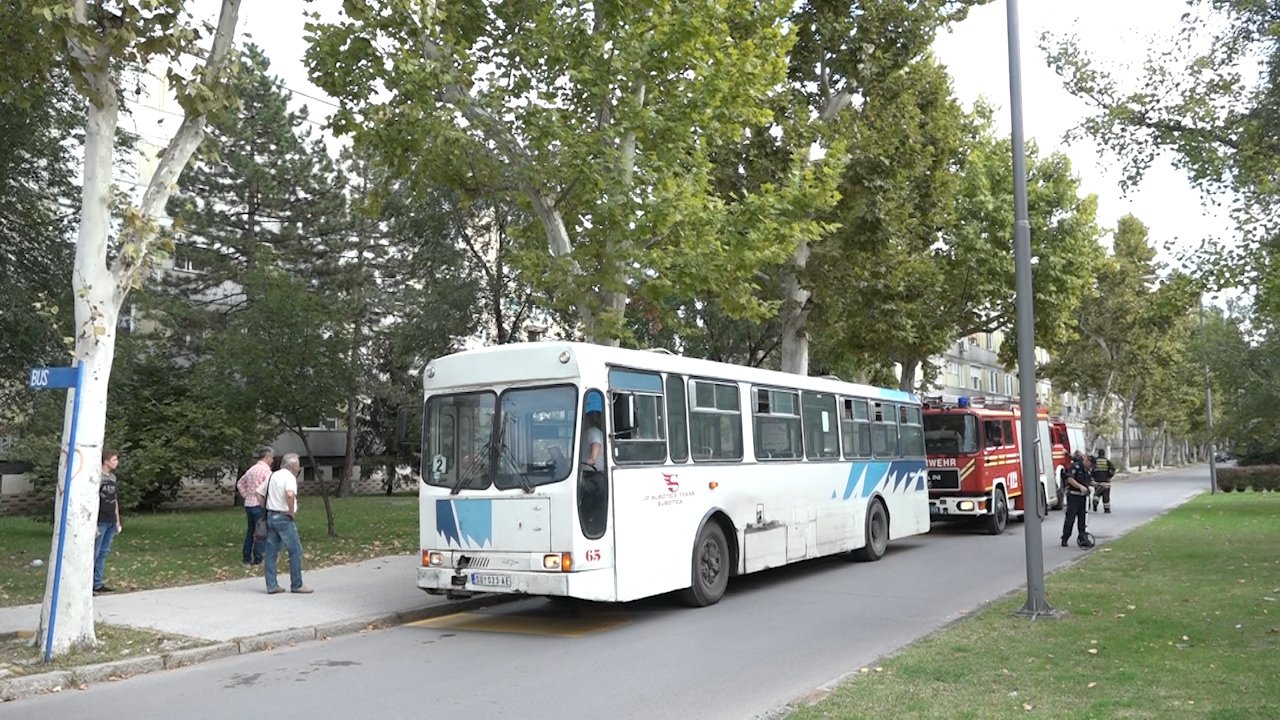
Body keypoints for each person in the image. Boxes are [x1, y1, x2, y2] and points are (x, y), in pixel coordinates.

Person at [258, 453, 312, 594]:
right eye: (298, 464)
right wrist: (291, 511)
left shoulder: (272, 476)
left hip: (271, 515)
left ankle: (271, 585)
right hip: (283, 516)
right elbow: (289, 494)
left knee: (271, 552)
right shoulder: (289, 477)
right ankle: (296, 584)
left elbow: (259, 493)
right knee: (295, 550)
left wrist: (266, 506)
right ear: (293, 466)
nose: (299, 467)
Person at [235, 446, 274, 567]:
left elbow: (240, 483)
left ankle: (246, 558)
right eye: (271, 458)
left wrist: (246, 495)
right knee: (260, 532)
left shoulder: (251, 469)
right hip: (260, 504)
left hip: (249, 504)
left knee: (250, 531)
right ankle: (258, 558)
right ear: (267, 457)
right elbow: (270, 488)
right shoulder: (267, 472)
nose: (272, 460)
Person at [93, 449, 122, 595]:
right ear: (106, 461)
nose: (116, 462)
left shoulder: (113, 478)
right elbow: (93, 499)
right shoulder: (97, 477)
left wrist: (117, 521)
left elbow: (114, 499)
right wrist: (94, 524)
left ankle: (98, 583)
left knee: (103, 552)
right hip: (100, 520)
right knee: (95, 552)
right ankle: (88, 583)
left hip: (111, 519)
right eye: (114, 459)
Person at [1060, 450, 1094, 548]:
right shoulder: (1075, 466)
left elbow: (1089, 481)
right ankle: (1065, 538)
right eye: (1090, 464)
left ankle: (1082, 538)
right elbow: (1070, 479)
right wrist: (1080, 486)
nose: (1090, 467)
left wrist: (1097, 484)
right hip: (1073, 496)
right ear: (1086, 460)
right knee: (1070, 519)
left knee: (1082, 519)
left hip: (1083, 497)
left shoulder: (1087, 470)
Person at [1091, 448, 1116, 513]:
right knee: (1106, 496)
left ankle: (1095, 502)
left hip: (1097, 482)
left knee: (1097, 494)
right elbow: (1113, 469)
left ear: (1098, 453)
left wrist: (1093, 477)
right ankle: (1107, 509)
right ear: (1104, 454)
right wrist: (1110, 476)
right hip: (1106, 481)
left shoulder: (1095, 461)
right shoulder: (1107, 461)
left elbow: (1091, 470)